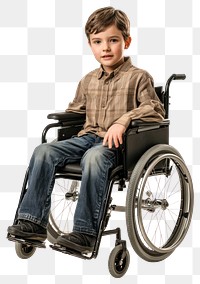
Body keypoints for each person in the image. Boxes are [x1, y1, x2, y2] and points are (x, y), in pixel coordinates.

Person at [7, 6, 165, 253]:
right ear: (90, 45)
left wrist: (123, 121)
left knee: (94, 158)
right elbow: (76, 112)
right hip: (87, 137)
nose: (106, 48)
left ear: (127, 41)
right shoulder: (89, 80)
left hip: (120, 146)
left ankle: (85, 233)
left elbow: (154, 109)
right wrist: (63, 118)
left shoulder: (138, 77)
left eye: (113, 40)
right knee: (44, 151)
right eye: (97, 41)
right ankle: (32, 223)